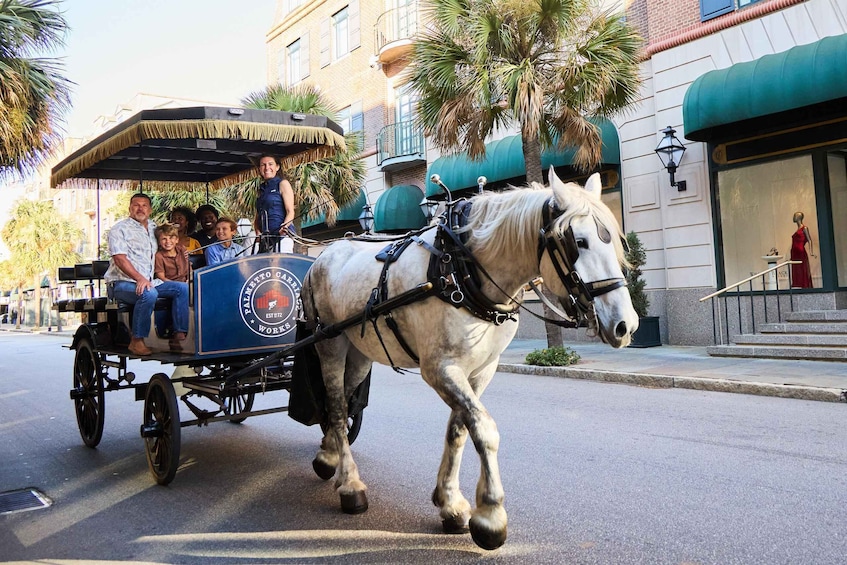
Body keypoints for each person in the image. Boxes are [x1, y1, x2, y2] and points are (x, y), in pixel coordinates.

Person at [104, 193, 189, 355]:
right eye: (136, 205)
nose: (140, 208)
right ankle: (137, 341)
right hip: (122, 283)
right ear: (130, 208)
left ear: (150, 209)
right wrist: (140, 279)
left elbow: (168, 243)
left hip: (150, 281)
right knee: (149, 293)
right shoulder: (119, 229)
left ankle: (179, 335)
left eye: (144, 205)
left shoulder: (153, 228)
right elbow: (120, 258)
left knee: (182, 289)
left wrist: (181, 252)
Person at [254, 154, 295, 253]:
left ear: (277, 167)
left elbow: (290, 211)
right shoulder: (261, 189)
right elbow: (258, 216)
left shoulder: (283, 183)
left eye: (270, 164)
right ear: (260, 168)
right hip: (266, 239)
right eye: (263, 165)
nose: (267, 167)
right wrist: (258, 232)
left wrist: (284, 227)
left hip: (282, 236)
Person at [790, 211, 815, 288]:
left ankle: (804, 285)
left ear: (799, 217)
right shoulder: (798, 229)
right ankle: (797, 285)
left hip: (800, 252)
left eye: (795, 216)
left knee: (802, 269)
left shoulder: (804, 228)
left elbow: (809, 240)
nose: (793, 217)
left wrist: (811, 252)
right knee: (796, 270)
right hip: (795, 253)